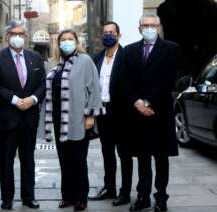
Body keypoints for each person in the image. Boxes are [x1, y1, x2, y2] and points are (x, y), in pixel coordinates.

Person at [0, 20, 46, 210]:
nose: (17, 37)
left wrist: (33, 99)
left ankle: (29, 197)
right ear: (7, 36)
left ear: (25, 37)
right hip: (6, 118)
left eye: (21, 34)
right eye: (14, 34)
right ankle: (7, 198)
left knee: (28, 159)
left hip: (29, 118)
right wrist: (14, 100)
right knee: (6, 160)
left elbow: (43, 85)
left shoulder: (35, 57)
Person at [41, 29, 102, 211]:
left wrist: (91, 115)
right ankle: (67, 196)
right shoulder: (53, 63)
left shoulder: (85, 60)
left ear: (76, 42)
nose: (66, 42)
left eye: (70, 39)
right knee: (64, 160)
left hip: (78, 118)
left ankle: (81, 197)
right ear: (58, 43)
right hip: (59, 119)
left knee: (78, 160)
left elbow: (95, 89)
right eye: (63, 40)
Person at [123, 13, 178, 212]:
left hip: (159, 113)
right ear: (139, 28)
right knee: (143, 157)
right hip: (137, 114)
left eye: (152, 25)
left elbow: (169, 79)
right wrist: (137, 102)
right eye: (145, 25)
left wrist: (147, 101)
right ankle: (143, 196)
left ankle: (161, 197)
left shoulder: (171, 49)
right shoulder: (129, 51)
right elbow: (125, 80)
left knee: (161, 158)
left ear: (159, 27)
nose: (149, 28)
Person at [88, 21, 133, 206]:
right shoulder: (97, 57)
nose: (108, 35)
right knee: (107, 152)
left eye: (112, 32)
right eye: (105, 32)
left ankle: (125, 192)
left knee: (124, 154)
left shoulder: (127, 56)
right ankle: (109, 188)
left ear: (119, 35)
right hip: (103, 111)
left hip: (121, 113)